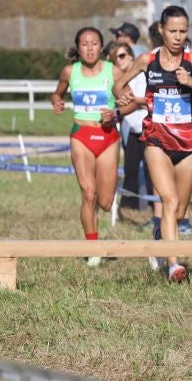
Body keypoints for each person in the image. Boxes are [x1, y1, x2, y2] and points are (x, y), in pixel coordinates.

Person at [114, 6, 192, 282]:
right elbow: (119, 86)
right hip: (156, 138)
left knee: (178, 210)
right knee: (169, 200)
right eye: (173, 31)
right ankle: (174, 265)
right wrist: (123, 96)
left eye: (183, 31)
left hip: (188, 140)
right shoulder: (146, 59)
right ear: (162, 31)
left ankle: (160, 236)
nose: (178, 37)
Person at [50, 27, 125, 266]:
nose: (90, 48)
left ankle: (94, 240)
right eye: (84, 44)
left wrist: (115, 112)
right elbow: (57, 93)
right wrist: (57, 101)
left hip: (108, 137)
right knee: (88, 194)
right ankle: (92, 247)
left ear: (101, 47)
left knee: (104, 201)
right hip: (81, 135)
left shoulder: (114, 71)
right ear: (78, 48)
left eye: (94, 43)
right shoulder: (69, 71)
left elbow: (129, 100)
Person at [110, 41, 153, 223]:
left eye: (122, 56)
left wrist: (123, 108)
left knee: (152, 171)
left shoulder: (141, 75)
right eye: (115, 58)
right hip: (134, 130)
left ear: (131, 56)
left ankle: (154, 206)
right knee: (130, 169)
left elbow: (143, 101)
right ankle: (129, 205)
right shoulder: (122, 80)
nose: (119, 61)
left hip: (148, 127)